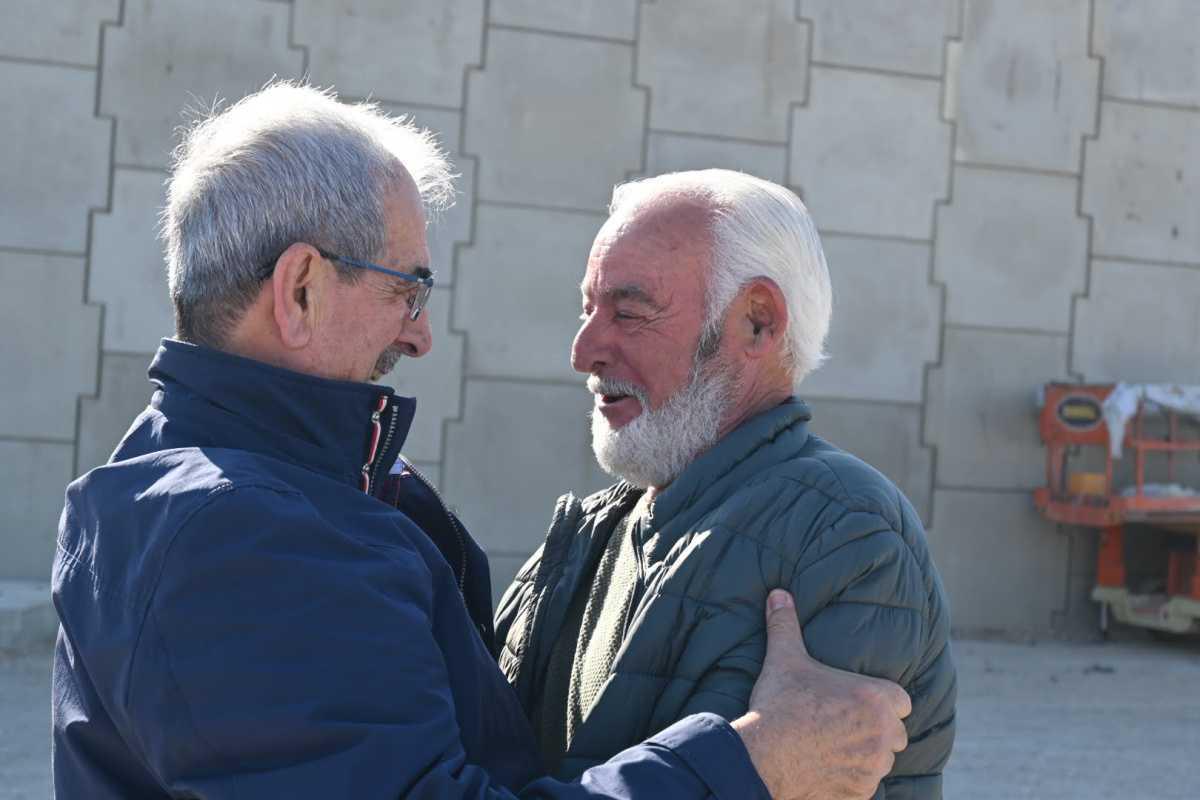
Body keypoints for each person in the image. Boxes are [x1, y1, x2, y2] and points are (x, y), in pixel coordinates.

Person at [51, 84, 910, 799]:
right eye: (408, 291)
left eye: (631, 310)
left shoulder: (213, 478)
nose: (419, 336)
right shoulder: (248, 534)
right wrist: (751, 763)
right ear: (301, 290)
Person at [495, 170, 957, 797]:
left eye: (629, 314)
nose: (585, 350)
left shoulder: (842, 531)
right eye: (588, 309)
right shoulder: (603, 527)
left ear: (758, 322)